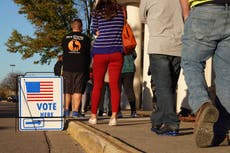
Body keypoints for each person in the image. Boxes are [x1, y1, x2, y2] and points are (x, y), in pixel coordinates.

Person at [179, 0, 230, 147]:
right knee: (226, 75)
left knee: (191, 62)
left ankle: (202, 105)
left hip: (204, 10)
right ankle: (223, 130)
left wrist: (186, 13)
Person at [140, 0, 184, 135]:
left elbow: (142, 18)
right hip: (178, 47)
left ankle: (171, 123)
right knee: (168, 88)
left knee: (163, 88)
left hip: (159, 45)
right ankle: (157, 120)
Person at [88, 0, 124, 126]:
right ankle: (114, 117)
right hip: (116, 51)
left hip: (100, 51)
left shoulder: (97, 11)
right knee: (114, 85)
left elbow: (94, 30)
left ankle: (93, 116)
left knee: (97, 85)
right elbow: (123, 26)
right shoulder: (121, 10)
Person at [62, 18, 91, 118]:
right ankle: (75, 111)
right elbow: (88, 54)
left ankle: (66, 110)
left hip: (67, 67)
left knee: (67, 90)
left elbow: (64, 51)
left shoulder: (65, 38)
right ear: (81, 27)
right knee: (77, 90)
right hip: (80, 67)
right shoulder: (86, 38)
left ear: (72, 26)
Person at [120, 51, 138, 118]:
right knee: (129, 90)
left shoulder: (116, 42)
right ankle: (133, 111)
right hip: (130, 69)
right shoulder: (129, 44)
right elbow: (135, 55)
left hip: (118, 68)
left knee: (117, 91)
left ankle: (118, 111)